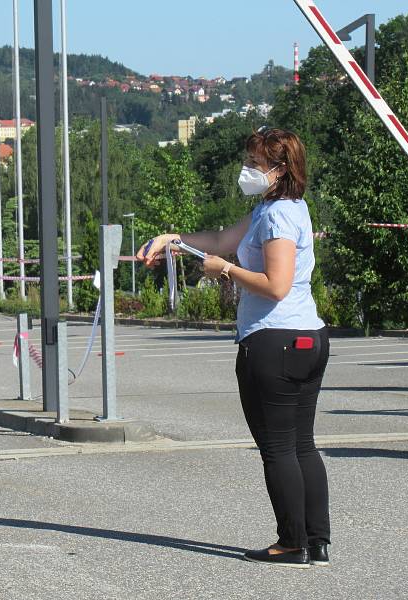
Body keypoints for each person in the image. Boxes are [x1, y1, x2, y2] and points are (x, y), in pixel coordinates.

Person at [140, 128, 330, 569]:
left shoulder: (277, 218)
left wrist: (225, 270)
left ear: (280, 169)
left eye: (255, 163)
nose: (247, 169)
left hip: (275, 339)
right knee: (302, 444)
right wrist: (174, 239)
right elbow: (221, 240)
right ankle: (316, 541)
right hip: (305, 336)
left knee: (280, 447)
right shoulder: (277, 209)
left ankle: (291, 543)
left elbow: (276, 285)